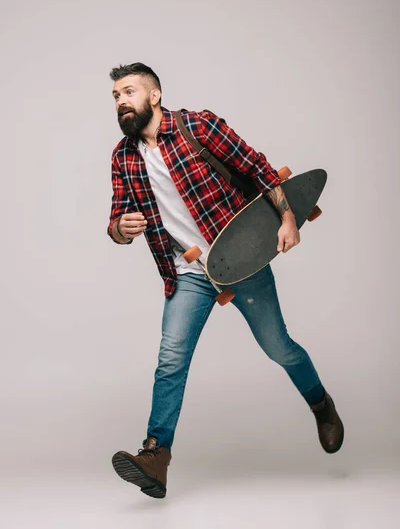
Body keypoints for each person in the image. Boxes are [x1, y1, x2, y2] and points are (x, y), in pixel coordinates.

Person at [107, 62, 344, 499]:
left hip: (240, 260)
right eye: (116, 95)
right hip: (188, 272)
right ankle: (155, 457)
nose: (121, 101)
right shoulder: (123, 157)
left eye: (129, 91)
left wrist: (288, 217)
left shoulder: (198, 125)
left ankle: (319, 402)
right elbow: (115, 223)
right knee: (171, 359)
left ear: (154, 96)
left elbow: (256, 166)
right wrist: (122, 227)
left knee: (279, 347)